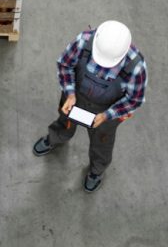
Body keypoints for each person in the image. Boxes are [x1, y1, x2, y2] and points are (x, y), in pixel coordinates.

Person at [32, 20, 148, 192]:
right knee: (65, 120)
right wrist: (70, 93)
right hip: (75, 97)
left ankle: (96, 170)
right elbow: (65, 65)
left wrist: (107, 115)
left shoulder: (136, 67)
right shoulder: (84, 41)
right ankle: (56, 137)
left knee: (102, 142)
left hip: (106, 111)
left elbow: (134, 100)